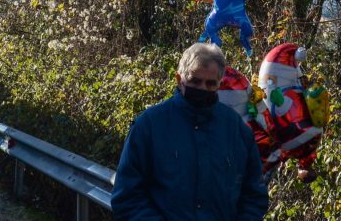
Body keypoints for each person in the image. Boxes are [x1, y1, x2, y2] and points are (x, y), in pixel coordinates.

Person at [111, 43, 268, 220]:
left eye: (210, 83)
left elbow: (254, 197)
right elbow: (127, 197)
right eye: (195, 81)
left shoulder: (237, 131)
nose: (202, 88)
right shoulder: (148, 127)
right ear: (179, 79)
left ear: (219, 84)